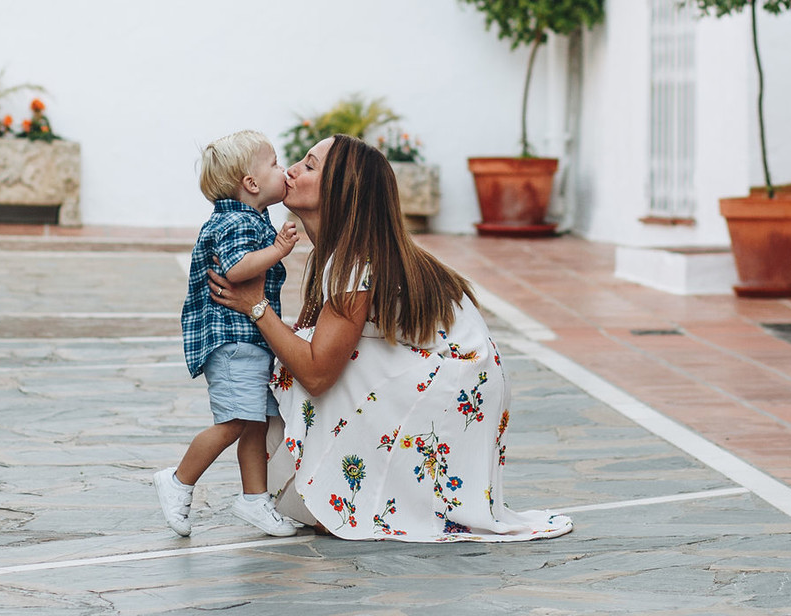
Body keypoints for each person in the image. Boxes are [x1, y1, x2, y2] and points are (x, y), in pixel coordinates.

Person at [210, 134, 572, 542]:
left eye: (309, 166)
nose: (291, 170)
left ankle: (357, 498)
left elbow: (316, 373)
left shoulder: (354, 261)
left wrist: (256, 307)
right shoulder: (342, 255)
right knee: (298, 354)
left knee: (307, 369)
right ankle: (341, 493)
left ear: (342, 191)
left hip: (457, 381)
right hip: (454, 373)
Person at [157, 130, 299, 538]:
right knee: (235, 421)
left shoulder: (248, 217)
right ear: (251, 184)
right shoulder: (237, 220)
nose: (283, 169)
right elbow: (237, 269)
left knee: (253, 422)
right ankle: (179, 480)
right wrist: (278, 251)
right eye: (274, 164)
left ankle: (255, 499)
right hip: (233, 341)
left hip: (247, 339)